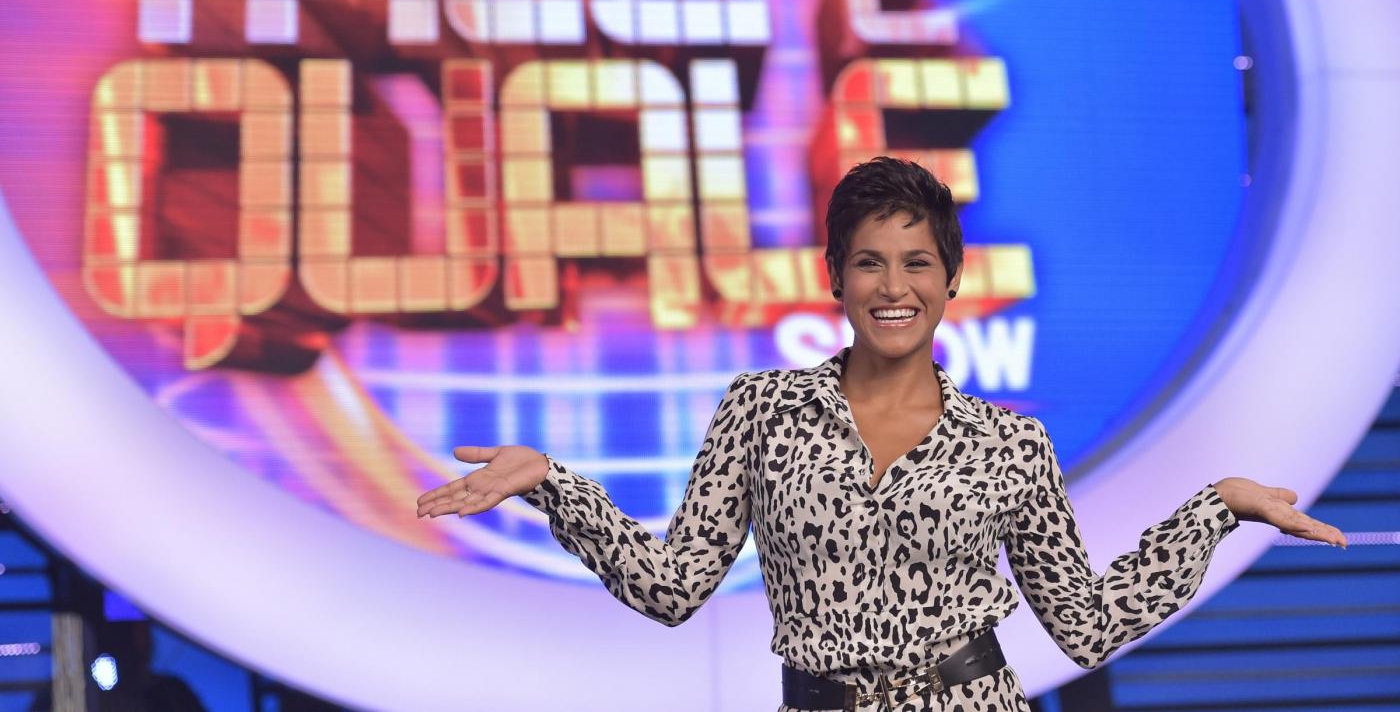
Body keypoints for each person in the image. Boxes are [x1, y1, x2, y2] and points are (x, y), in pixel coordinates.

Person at [417, 157, 1347, 711]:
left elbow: (1087, 626)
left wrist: (1216, 509)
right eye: (869, 261)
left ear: (951, 277)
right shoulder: (760, 411)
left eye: (916, 262)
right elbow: (672, 589)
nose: (893, 286)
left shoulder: (1010, 444)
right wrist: (554, 485)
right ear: (834, 275)